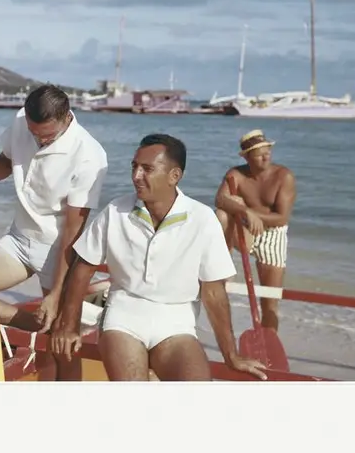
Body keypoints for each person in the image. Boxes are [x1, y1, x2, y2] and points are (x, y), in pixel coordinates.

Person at [50, 133, 267, 381]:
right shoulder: (115, 211)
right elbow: (82, 268)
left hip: (177, 323)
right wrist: (68, 325)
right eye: (134, 167)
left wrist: (231, 355)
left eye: (147, 169)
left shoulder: (202, 218)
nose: (136, 176)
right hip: (123, 316)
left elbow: (214, 291)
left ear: (174, 176)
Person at [0, 84, 108, 380]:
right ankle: (38, 323)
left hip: (59, 250)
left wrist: (55, 293)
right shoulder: (21, 121)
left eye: (47, 136)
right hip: (18, 239)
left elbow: (72, 233)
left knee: (62, 344)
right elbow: (6, 160)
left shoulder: (90, 156)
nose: (39, 140)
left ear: (67, 118)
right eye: (33, 133)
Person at [213, 129, 296, 332]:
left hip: (273, 234)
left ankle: (269, 342)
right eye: (259, 153)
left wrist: (252, 213)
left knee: (270, 301)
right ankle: (224, 267)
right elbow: (220, 199)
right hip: (246, 230)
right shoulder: (236, 174)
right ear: (248, 157)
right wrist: (244, 211)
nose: (266, 156)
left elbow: (282, 217)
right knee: (221, 215)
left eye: (268, 151)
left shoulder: (283, 176)